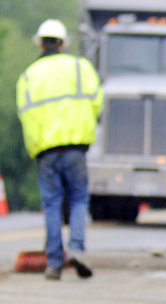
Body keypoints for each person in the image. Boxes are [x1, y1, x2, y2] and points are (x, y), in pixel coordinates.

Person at [16, 19, 103, 280]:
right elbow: (97, 104)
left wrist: (36, 147)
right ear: (63, 44)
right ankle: (76, 248)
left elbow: (25, 115)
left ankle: (54, 263)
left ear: (41, 44)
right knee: (78, 200)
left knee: (52, 205)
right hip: (76, 147)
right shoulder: (81, 68)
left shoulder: (29, 76)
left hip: (45, 151)